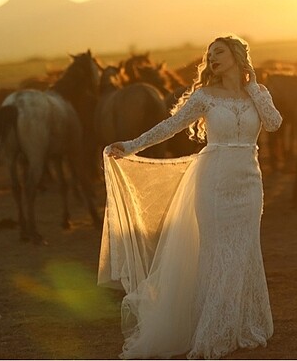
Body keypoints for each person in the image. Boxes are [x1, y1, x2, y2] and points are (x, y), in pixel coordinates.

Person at [99, 34, 282, 359]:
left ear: (238, 56)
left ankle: (241, 325)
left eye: (220, 52)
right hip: (214, 181)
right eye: (209, 53)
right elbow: (169, 126)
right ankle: (211, 329)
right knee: (216, 253)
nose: (212, 57)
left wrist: (252, 85)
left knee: (245, 250)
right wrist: (130, 146)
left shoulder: (258, 93)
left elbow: (273, 123)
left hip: (249, 182)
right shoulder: (204, 96)